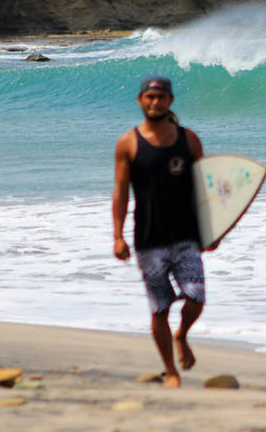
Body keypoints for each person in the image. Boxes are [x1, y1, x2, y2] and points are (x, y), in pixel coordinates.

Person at [113, 74, 206, 388]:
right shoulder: (128, 142)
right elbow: (121, 192)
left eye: (161, 97)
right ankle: (171, 371)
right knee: (159, 308)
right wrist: (117, 235)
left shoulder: (188, 139)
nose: (155, 102)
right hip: (149, 239)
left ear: (170, 101)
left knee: (196, 298)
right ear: (141, 101)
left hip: (186, 237)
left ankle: (182, 334)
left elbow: (204, 189)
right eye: (149, 97)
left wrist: (212, 228)